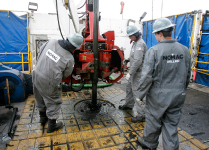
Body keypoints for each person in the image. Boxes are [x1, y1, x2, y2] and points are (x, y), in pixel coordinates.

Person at [136, 18, 191, 150]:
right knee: (171, 124)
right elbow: (187, 75)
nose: (155, 36)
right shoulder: (184, 50)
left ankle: (149, 143)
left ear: (160, 33)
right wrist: (181, 89)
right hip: (178, 95)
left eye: (155, 34)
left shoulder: (154, 51)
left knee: (153, 122)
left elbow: (146, 77)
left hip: (158, 97)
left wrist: (140, 95)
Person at [32, 33, 83, 133]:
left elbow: (40, 52)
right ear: (75, 47)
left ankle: (42, 118)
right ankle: (52, 125)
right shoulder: (69, 58)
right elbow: (66, 75)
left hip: (36, 73)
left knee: (39, 96)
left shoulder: (52, 41)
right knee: (53, 101)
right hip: (50, 81)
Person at [119, 25, 148, 123]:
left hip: (138, 73)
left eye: (130, 35)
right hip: (135, 72)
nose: (129, 37)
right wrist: (127, 60)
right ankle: (128, 105)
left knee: (137, 93)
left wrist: (130, 73)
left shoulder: (140, 44)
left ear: (136, 34)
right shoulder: (135, 43)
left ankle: (142, 115)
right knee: (129, 89)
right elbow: (134, 56)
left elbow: (138, 61)